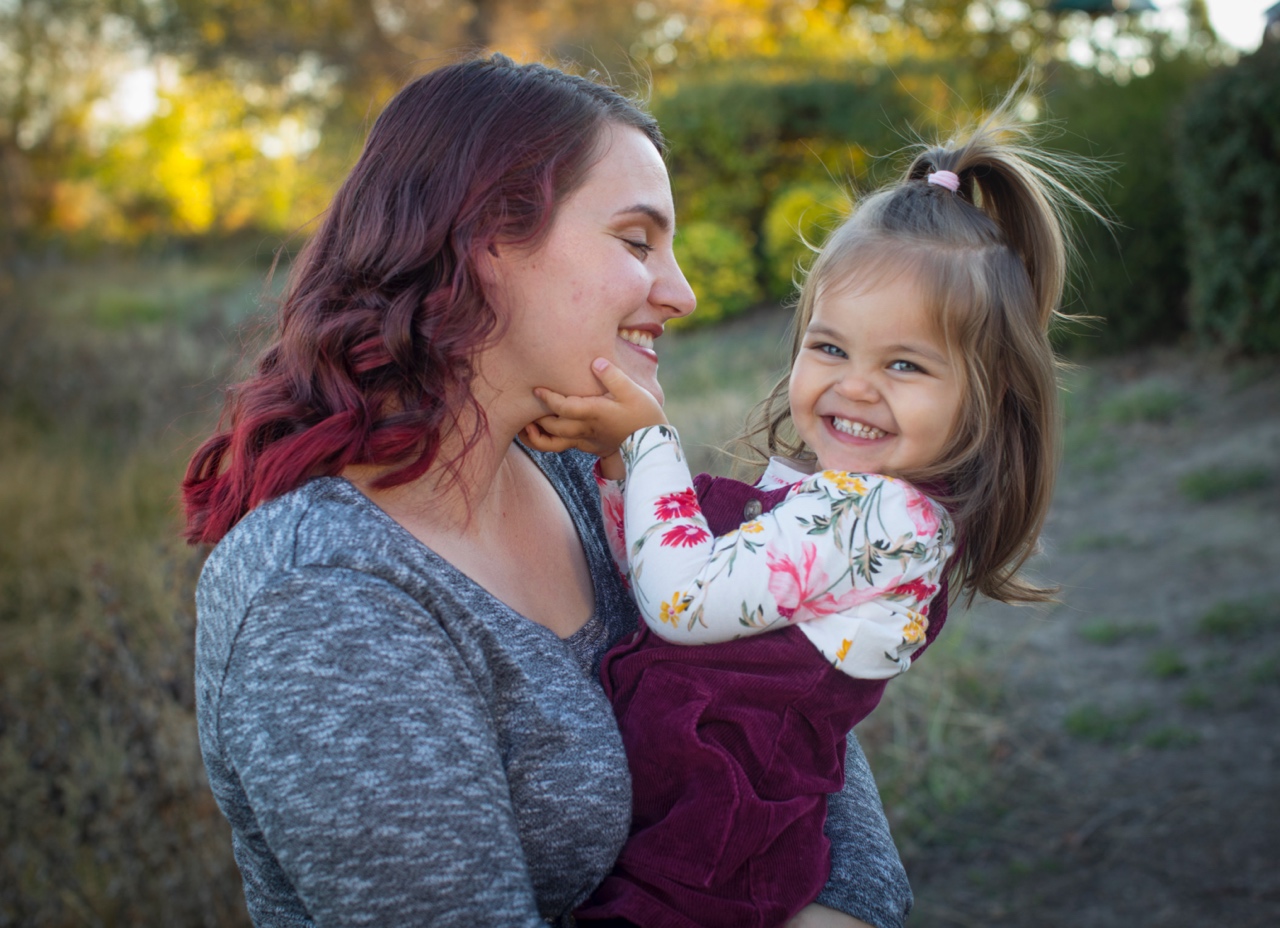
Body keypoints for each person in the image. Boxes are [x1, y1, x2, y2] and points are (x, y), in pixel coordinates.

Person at [183, 53, 913, 928]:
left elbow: (798, 734)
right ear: (486, 242)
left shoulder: (586, 476)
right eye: (638, 241)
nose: (679, 293)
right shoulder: (326, 600)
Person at [524, 97, 1094, 928]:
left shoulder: (889, 520)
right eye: (830, 347)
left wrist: (650, 447)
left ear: (986, 396)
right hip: (683, 805)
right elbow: (660, 564)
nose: (854, 385)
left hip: (715, 839)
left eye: (905, 364)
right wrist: (618, 468)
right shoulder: (842, 500)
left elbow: (681, 602)